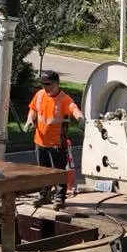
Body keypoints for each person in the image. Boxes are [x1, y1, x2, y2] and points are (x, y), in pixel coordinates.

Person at [25, 70, 84, 207]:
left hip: (57, 143)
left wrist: (80, 119)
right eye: (43, 84)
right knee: (43, 171)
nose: (46, 87)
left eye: (49, 84)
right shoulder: (40, 95)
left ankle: (59, 198)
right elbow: (33, 109)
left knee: (58, 171)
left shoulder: (64, 99)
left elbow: (73, 108)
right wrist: (29, 120)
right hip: (40, 141)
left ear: (57, 83)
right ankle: (44, 195)